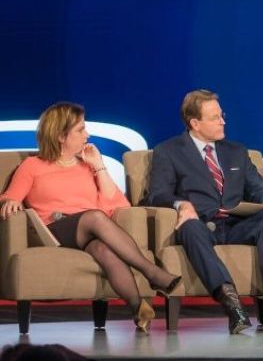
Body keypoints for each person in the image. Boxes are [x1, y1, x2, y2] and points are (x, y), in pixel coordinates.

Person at [0, 102, 180, 333]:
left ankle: (138, 308)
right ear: (61, 136)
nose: (88, 134)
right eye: (80, 129)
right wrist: (10, 201)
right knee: (94, 217)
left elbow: (116, 204)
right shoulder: (32, 166)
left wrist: (99, 166)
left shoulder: (87, 166)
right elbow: (8, 197)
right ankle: (151, 272)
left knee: (103, 249)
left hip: (88, 231)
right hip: (53, 232)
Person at [144, 89, 263, 334]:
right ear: (195, 123)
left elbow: (257, 187)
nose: (223, 121)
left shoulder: (236, 151)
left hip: (236, 224)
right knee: (189, 227)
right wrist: (181, 204)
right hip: (202, 225)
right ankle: (233, 307)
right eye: (215, 117)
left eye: (222, 115)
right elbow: (158, 193)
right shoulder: (168, 151)